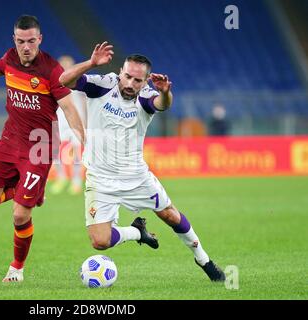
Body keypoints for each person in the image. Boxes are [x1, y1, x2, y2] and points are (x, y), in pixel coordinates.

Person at [59, 42, 225, 282]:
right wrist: (91, 63)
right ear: (121, 73)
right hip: (100, 178)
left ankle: (204, 260)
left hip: (135, 176)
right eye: (127, 76)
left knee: (170, 215)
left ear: (146, 82)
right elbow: (64, 80)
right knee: (100, 241)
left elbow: (162, 105)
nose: (130, 83)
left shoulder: (147, 98)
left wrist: (165, 92)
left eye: (137, 80)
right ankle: (137, 232)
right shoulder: (102, 86)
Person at [0, 15, 85, 283]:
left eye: (31, 41)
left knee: (21, 214)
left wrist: (85, 142)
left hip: (39, 148)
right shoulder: (10, 58)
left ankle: (16, 268)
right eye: (21, 41)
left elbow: (68, 107)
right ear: (14, 40)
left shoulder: (52, 70)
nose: (26, 47)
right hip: (9, 143)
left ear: (39, 40)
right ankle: (31, 192)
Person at [51, 55, 87, 195]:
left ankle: (76, 181)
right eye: (63, 65)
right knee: (55, 151)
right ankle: (61, 178)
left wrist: (85, 121)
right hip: (60, 119)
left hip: (76, 120)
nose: (65, 67)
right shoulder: (55, 82)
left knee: (77, 152)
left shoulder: (79, 81)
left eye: (68, 65)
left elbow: (84, 102)